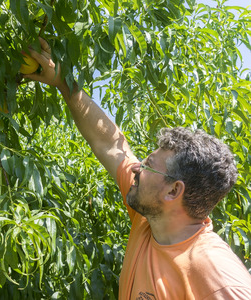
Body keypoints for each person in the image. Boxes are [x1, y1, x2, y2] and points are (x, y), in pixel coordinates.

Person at [25, 38, 251, 299]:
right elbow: (110, 143)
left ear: (173, 191)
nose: (136, 168)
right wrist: (62, 80)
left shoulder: (214, 272)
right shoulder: (149, 219)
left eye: (148, 166)